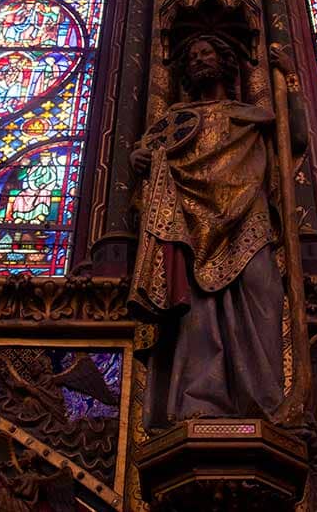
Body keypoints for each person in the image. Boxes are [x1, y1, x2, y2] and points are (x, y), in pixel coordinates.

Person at [129, 34, 305, 426]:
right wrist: (143, 159)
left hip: (249, 223)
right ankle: (200, 402)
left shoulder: (252, 118)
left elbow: (294, 139)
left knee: (264, 296)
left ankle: (263, 403)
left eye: (206, 51)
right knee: (198, 314)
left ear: (225, 61)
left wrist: (291, 84)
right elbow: (153, 176)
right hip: (191, 228)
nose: (199, 59)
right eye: (192, 54)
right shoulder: (174, 123)